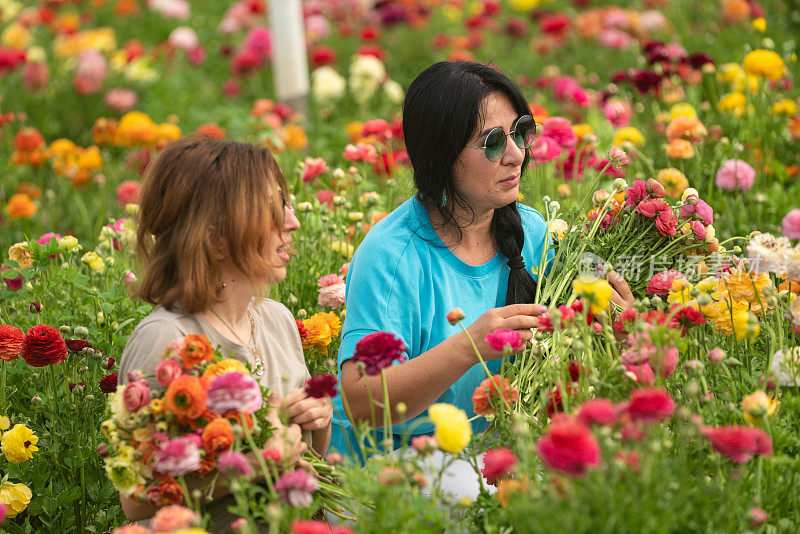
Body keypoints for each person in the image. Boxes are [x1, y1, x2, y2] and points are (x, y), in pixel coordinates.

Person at [329, 61, 634, 466]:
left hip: (489, 452)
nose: (516, 154)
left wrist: (613, 320)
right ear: (442, 154)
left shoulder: (531, 230)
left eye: (520, 132)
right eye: (492, 142)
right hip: (391, 470)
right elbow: (360, 401)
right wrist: (468, 347)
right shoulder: (391, 253)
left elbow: (568, 326)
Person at [117, 135, 332, 530]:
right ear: (216, 236)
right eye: (273, 207)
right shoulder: (164, 339)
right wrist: (252, 465)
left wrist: (317, 423)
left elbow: (306, 461)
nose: (293, 221)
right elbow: (136, 503)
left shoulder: (277, 320)